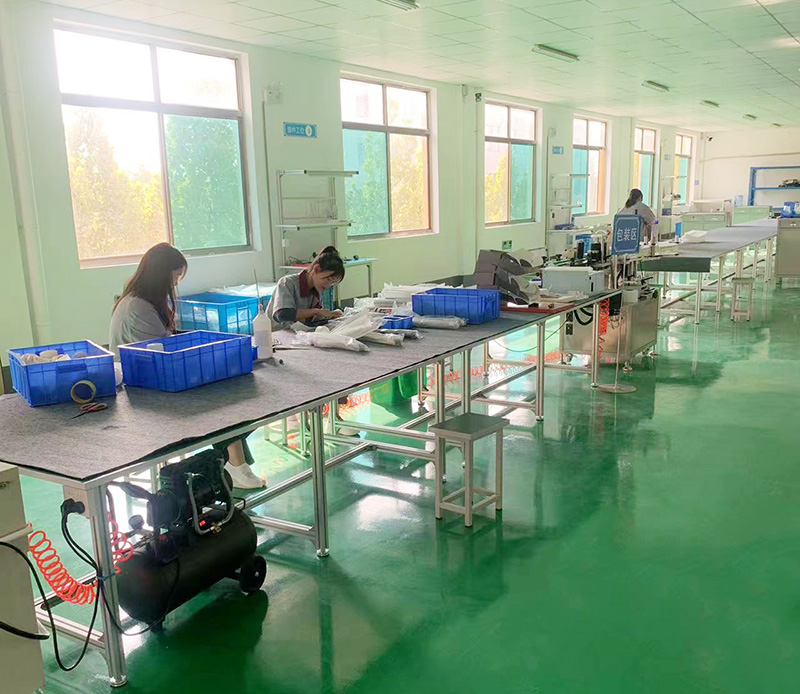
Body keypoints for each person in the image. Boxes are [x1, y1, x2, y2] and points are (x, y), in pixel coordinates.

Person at [109, 243, 265, 490]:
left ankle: (234, 462)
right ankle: (235, 463)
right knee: (222, 402)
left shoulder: (142, 302)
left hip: (153, 378)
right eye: (174, 278)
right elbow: (163, 353)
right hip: (142, 389)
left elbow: (167, 344)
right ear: (160, 276)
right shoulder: (138, 307)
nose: (175, 284)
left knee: (234, 396)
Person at [267, 246, 345, 330]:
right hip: (277, 334)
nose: (328, 285)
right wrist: (316, 312)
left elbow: (312, 320)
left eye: (332, 282)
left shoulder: (316, 290)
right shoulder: (287, 282)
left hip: (298, 333)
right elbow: (282, 314)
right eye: (328, 279)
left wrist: (330, 316)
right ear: (316, 269)